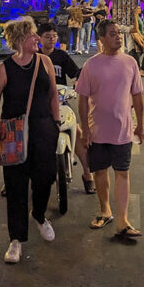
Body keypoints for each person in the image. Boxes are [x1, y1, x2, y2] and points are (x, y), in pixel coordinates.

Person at [0, 17, 60, 265]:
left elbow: (53, 94)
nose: (37, 39)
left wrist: (56, 122)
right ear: (20, 39)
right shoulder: (5, 68)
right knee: (16, 184)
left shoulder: (45, 62)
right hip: (13, 131)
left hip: (43, 128)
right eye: (32, 35)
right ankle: (16, 239)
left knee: (47, 175)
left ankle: (39, 214)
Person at [76, 19, 144, 244]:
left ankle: (122, 221)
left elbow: (137, 96)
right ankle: (105, 210)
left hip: (123, 129)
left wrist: (140, 124)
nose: (118, 37)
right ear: (102, 39)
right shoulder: (91, 65)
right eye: (113, 34)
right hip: (97, 130)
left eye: (119, 33)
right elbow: (83, 99)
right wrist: (85, 130)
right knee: (100, 172)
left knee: (122, 172)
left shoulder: (130, 63)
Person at [37, 24, 95, 192]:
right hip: (38, 105)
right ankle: (13, 178)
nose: (52, 39)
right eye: (48, 36)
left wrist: (78, 83)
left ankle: (87, 174)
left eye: (54, 36)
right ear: (39, 38)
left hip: (61, 101)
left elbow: (76, 74)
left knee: (77, 132)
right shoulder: (34, 57)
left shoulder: (61, 56)